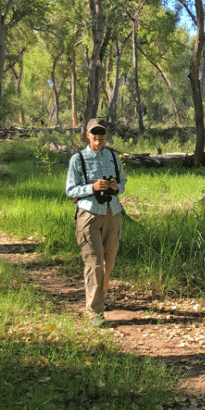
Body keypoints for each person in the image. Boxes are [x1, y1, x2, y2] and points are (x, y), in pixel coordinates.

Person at [65, 117, 126, 327]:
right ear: (87, 135)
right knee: (95, 264)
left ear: (105, 135)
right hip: (88, 215)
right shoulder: (78, 159)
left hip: (113, 213)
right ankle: (94, 313)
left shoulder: (113, 156)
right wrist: (92, 188)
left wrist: (115, 187)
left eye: (101, 133)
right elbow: (70, 190)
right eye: (94, 133)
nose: (98, 137)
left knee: (108, 264)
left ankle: (99, 298)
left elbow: (123, 182)